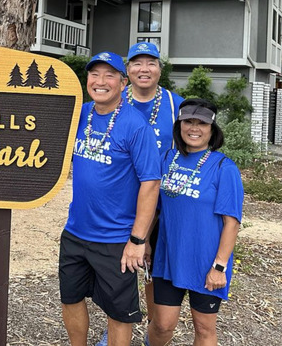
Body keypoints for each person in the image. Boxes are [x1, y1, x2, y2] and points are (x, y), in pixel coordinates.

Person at [60, 52, 161, 346]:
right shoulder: (79, 114)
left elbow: (151, 184)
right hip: (76, 231)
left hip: (117, 239)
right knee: (71, 298)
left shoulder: (135, 125)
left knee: (119, 313)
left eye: (109, 75)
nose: (100, 82)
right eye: (94, 74)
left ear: (122, 82)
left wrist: (138, 241)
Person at [95, 42, 183, 346]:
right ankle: (115, 328)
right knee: (117, 274)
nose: (143, 70)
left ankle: (152, 329)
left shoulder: (175, 105)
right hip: (121, 204)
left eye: (151, 63)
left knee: (154, 278)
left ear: (160, 69)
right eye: (136, 64)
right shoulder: (113, 101)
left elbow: (195, 148)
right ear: (126, 71)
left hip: (164, 208)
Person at [147, 99, 243, 346]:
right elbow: (153, 208)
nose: (194, 128)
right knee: (161, 324)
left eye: (202, 123)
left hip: (206, 263)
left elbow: (231, 222)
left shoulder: (224, 167)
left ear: (212, 129)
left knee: (203, 328)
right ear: (179, 125)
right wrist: (145, 242)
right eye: (188, 121)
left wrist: (219, 266)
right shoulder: (167, 158)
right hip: (169, 258)